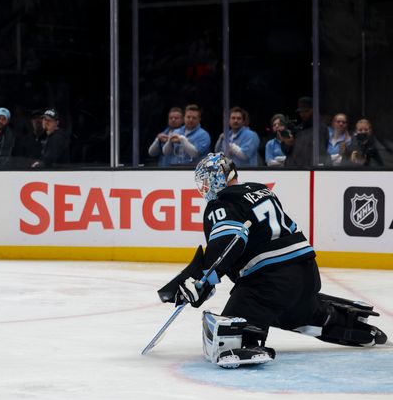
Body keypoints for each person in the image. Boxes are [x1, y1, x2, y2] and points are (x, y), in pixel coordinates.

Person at [161, 152, 387, 369]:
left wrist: (204, 281)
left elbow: (229, 241)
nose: (205, 190)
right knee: (290, 313)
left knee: (227, 332)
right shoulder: (260, 190)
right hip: (307, 273)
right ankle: (342, 321)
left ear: (216, 179)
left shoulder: (221, 204)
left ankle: (246, 339)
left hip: (270, 282)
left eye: (206, 183)